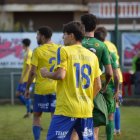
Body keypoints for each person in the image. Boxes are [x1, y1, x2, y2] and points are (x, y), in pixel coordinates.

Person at [40, 21, 102, 140]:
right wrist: (88, 101)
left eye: (64, 34)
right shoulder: (92, 56)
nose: (63, 37)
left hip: (66, 109)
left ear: (71, 36)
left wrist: (46, 73)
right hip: (86, 109)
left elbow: (60, 75)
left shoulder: (64, 50)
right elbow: (98, 85)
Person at [80, 14, 114, 140]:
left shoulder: (76, 44)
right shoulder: (102, 45)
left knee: (75, 129)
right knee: (93, 129)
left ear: (82, 26)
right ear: (95, 27)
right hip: (94, 88)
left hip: (76, 88)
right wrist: (104, 86)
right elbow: (109, 72)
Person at [25, 26, 59, 140]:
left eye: (38, 35)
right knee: (55, 117)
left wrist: (27, 88)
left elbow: (32, 72)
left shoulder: (38, 51)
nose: (36, 37)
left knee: (36, 117)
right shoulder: (59, 49)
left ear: (43, 37)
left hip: (41, 90)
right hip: (56, 89)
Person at [94, 26, 123, 135]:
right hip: (111, 84)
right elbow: (114, 73)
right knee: (112, 112)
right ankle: (115, 130)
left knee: (95, 114)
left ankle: (94, 136)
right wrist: (117, 89)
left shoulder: (91, 50)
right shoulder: (111, 48)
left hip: (96, 84)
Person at [16, 38, 34, 118]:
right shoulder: (26, 52)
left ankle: (29, 111)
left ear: (24, 44)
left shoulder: (29, 53)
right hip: (25, 78)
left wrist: (23, 78)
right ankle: (30, 109)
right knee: (19, 94)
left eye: (22, 44)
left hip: (27, 79)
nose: (21, 45)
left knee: (24, 95)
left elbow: (28, 67)